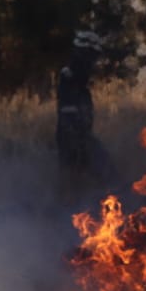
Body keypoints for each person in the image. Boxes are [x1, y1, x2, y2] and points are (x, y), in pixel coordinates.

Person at [56, 29, 103, 205]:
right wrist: (78, 139)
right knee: (72, 179)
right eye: (93, 56)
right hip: (72, 137)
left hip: (80, 136)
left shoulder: (79, 80)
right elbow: (68, 111)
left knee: (94, 174)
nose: (95, 62)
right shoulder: (69, 76)